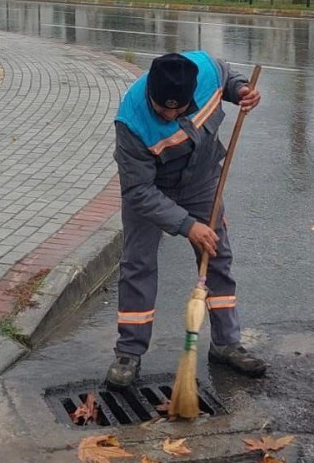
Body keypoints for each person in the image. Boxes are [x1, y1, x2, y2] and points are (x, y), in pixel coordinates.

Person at [105, 50, 266, 389]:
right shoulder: (131, 121)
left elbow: (226, 74)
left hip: (202, 179)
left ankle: (226, 343)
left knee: (217, 255)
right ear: (151, 93)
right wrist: (187, 226)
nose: (172, 115)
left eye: (179, 109)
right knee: (138, 264)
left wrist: (239, 91)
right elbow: (137, 191)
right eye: (163, 109)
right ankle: (129, 353)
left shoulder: (206, 72)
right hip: (151, 187)